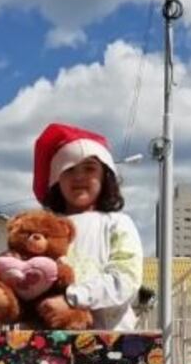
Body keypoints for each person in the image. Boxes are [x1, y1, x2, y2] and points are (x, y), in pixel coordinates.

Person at [30, 123, 143, 331]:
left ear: (104, 176)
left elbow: (125, 279)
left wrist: (73, 298)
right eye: (69, 169)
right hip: (51, 343)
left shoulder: (117, 224)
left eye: (89, 168)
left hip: (111, 343)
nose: (79, 176)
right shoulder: (43, 230)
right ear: (56, 179)